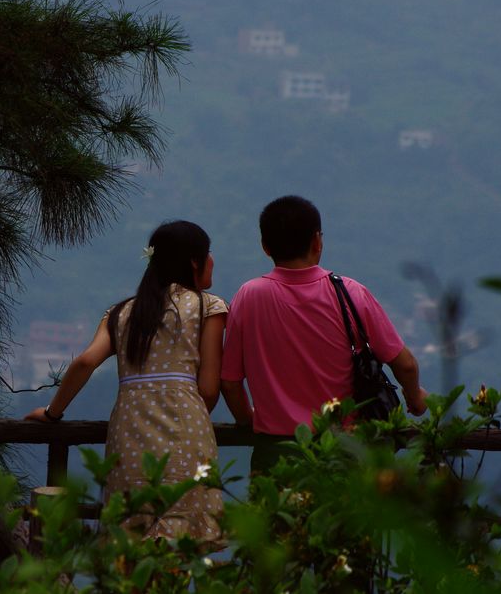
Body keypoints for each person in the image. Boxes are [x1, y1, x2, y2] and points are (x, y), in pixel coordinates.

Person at [25, 220, 228, 545]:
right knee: (181, 541)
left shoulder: (121, 313)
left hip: (129, 434)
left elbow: (85, 361)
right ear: (194, 260)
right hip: (187, 431)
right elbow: (208, 389)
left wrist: (52, 413)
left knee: (131, 541)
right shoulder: (208, 307)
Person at [220, 195, 428, 474]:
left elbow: (231, 382)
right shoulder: (350, 293)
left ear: (265, 246)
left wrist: (248, 422)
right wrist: (415, 398)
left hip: (276, 454)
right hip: (344, 449)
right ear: (317, 241)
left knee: (277, 518)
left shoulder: (248, 296)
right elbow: (405, 364)